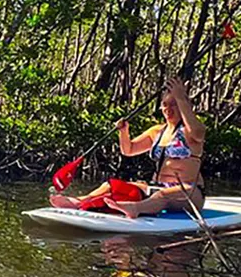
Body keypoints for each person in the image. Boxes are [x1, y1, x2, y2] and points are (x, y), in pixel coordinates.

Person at [48, 77, 205, 218]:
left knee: (162, 195)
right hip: (156, 186)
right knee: (110, 185)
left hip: (189, 191)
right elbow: (128, 150)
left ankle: (135, 208)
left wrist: (180, 97)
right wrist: (124, 132)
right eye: (165, 104)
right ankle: (79, 202)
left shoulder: (192, 131)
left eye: (174, 105)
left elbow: (197, 132)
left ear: (183, 106)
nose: (168, 109)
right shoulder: (156, 131)